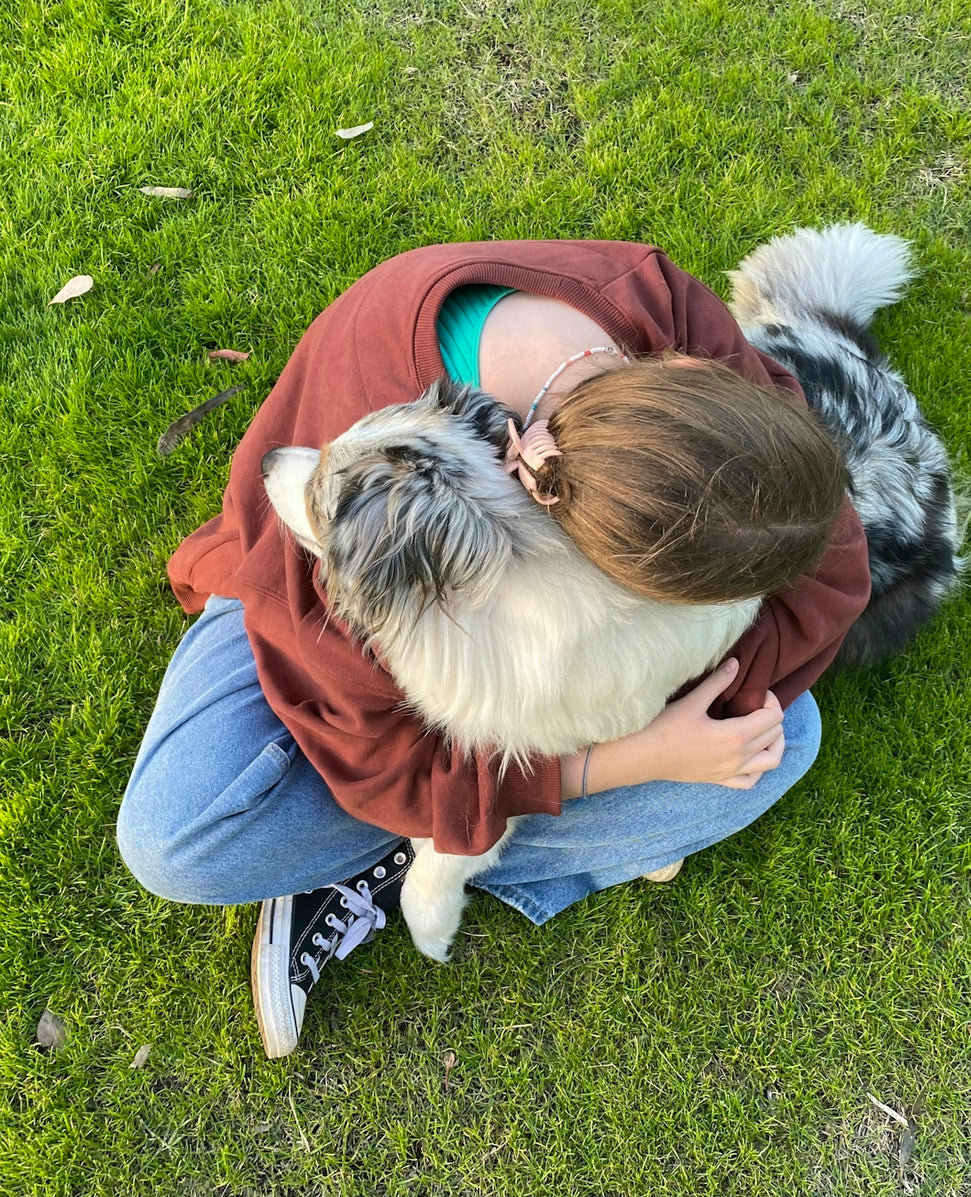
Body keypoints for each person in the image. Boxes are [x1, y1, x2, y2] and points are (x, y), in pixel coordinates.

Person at [118, 241, 871, 1058]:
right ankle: (398, 856)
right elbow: (387, 764)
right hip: (312, 625)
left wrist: (667, 722)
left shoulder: (683, 353)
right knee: (176, 838)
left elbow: (829, 564)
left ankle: (390, 845)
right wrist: (623, 760)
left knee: (780, 741)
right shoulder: (369, 558)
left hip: (507, 651)